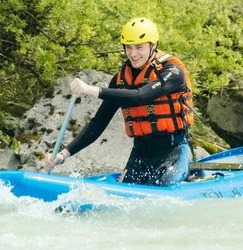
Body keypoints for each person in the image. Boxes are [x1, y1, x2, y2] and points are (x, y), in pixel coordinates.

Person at [45, 17, 194, 186]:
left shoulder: (172, 72)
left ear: (153, 46)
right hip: (140, 153)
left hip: (172, 151)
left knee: (161, 194)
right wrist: (63, 154)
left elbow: (140, 96)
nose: (133, 54)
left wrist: (90, 89)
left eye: (139, 47)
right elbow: (98, 123)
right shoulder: (121, 79)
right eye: (128, 48)